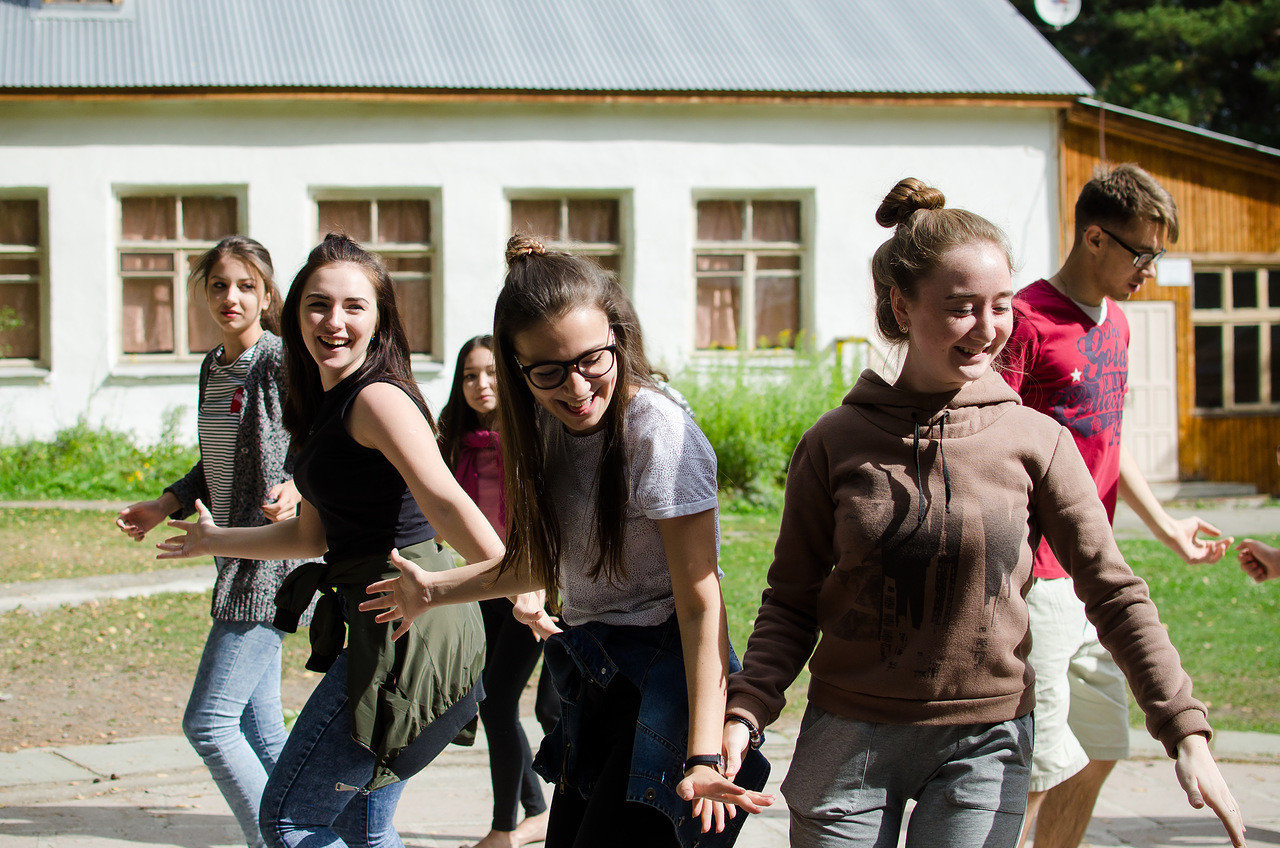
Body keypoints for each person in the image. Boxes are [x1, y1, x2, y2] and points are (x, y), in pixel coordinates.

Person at [721, 178, 1246, 848]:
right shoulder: (834, 441)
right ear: (901, 307)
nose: (990, 329)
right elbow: (791, 601)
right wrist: (747, 710)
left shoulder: (1036, 441)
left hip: (986, 749)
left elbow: (1114, 591)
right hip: (846, 742)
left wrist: (1185, 731)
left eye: (1000, 306)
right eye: (962, 308)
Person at [360, 235, 773, 848]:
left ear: (618, 340)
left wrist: (703, 756)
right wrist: (434, 589)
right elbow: (543, 564)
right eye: (549, 371)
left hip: (666, 678)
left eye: (592, 360)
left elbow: (700, 601)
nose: (577, 388)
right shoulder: (541, 430)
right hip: (594, 674)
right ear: (518, 370)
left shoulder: (654, 431)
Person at [156, 233, 508, 848]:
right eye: (318, 304)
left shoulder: (375, 396)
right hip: (384, 616)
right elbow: (309, 534)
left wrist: (511, 582)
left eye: (354, 306)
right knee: (363, 827)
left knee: (289, 820)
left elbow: (445, 499)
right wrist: (216, 540)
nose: (334, 321)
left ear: (381, 320)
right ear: (293, 313)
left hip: (410, 628)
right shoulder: (323, 403)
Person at [1000, 163, 1233, 848]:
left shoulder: (1120, 326)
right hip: (1032, 575)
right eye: (1143, 252)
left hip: (1091, 577)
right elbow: (986, 439)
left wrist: (1167, 529)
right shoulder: (1024, 322)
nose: (1150, 270)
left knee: (1102, 745)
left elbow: (1107, 436)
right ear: (1095, 239)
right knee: (1034, 766)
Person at [115, 235, 302, 848]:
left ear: (267, 294)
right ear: (204, 293)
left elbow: (322, 440)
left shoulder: (277, 362)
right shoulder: (214, 366)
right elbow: (215, 461)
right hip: (235, 555)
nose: (231, 296)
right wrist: (161, 505)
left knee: (210, 724)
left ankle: (274, 841)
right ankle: (312, 836)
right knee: (259, 724)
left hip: (269, 561)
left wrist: (299, 487)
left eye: (246, 285)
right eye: (220, 284)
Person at [438, 334, 559, 848]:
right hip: (481, 588)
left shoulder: (533, 434)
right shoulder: (453, 443)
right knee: (496, 701)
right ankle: (536, 811)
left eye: (490, 372)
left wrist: (539, 587)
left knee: (508, 702)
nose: (481, 383)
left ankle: (504, 829)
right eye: (469, 375)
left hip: (535, 588)